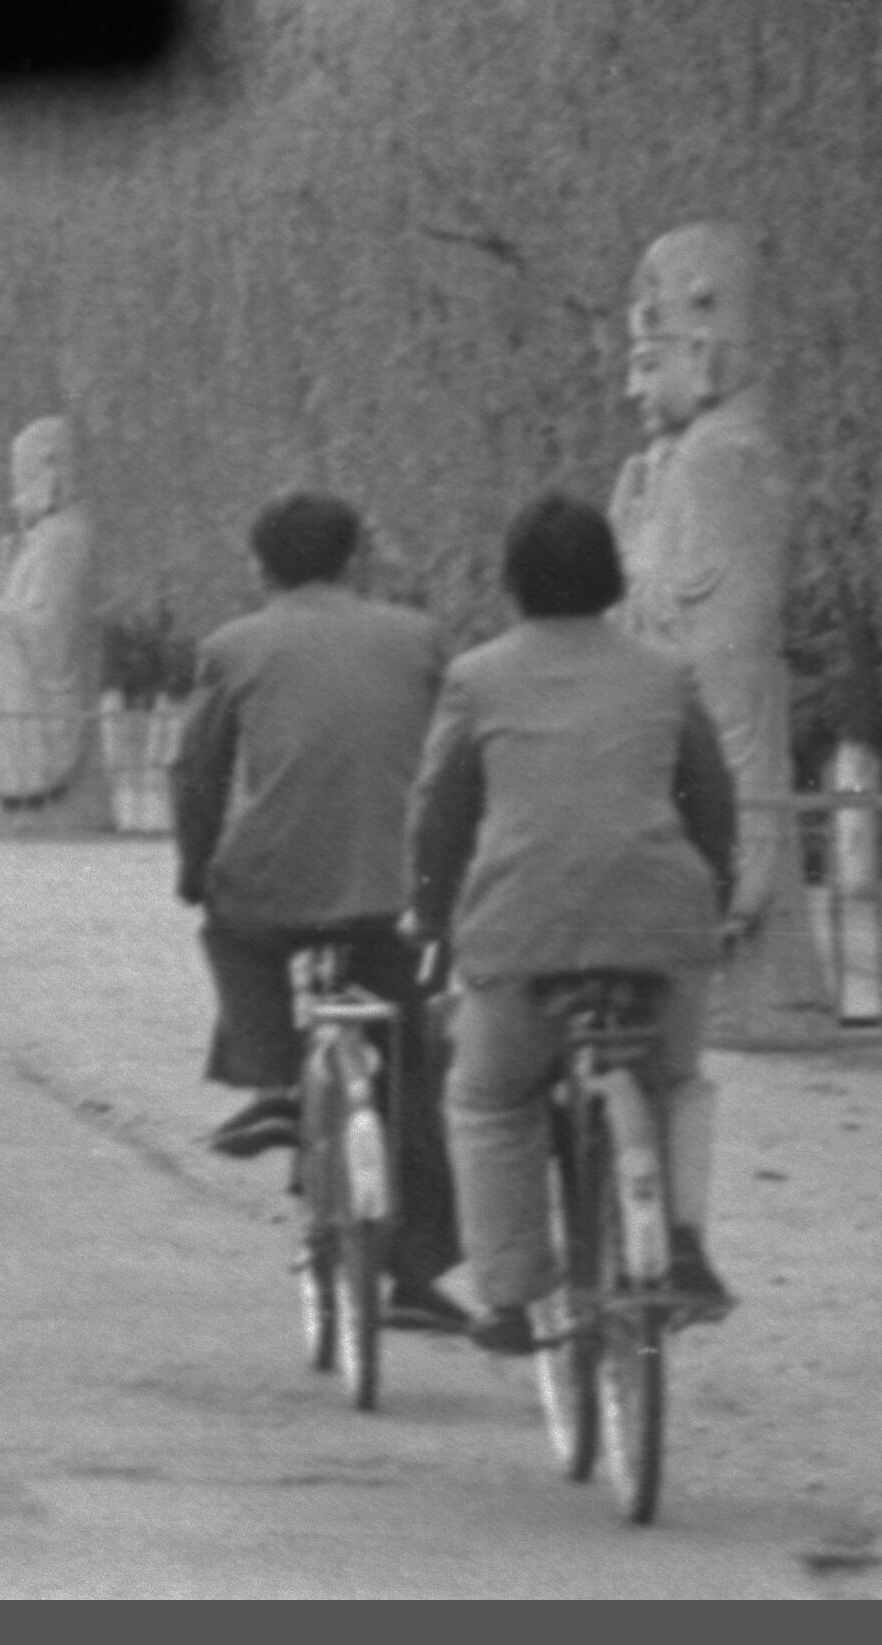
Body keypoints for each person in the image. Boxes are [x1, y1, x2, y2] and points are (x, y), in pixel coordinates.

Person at [406, 493, 739, 1357]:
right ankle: (684, 1245)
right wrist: (714, 895)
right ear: (612, 577)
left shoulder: (477, 677)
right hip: (662, 927)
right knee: (676, 1083)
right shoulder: (665, 674)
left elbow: (439, 814)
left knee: (489, 1100)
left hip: (522, 932)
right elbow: (713, 800)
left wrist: (431, 916)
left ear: (512, 581)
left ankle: (511, 1297)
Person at [170, 492, 468, 1333]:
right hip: (396, 888)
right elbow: (451, 764)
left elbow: (195, 774)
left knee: (231, 929)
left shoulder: (233, 647)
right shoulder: (419, 639)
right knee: (408, 1060)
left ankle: (274, 1082)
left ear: (259, 567)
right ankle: (418, 1274)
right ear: (354, 559)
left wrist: (196, 871)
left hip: (273, 881)